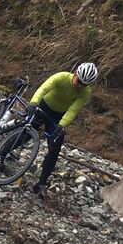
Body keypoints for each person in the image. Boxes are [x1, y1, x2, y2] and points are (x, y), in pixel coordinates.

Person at [23, 63, 98, 198]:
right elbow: (43, 89)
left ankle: (41, 183)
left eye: (84, 84)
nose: (80, 86)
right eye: (79, 81)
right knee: (27, 134)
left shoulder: (86, 92)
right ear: (75, 73)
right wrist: (34, 102)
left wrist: (62, 125)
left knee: (55, 149)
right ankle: (2, 155)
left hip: (58, 116)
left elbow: (73, 110)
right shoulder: (62, 77)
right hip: (45, 106)